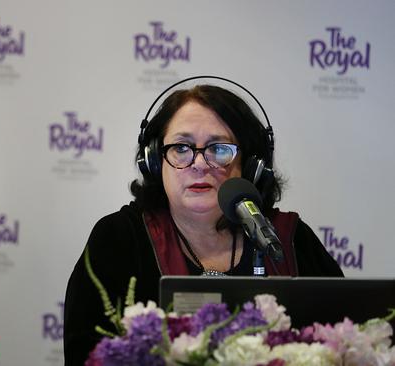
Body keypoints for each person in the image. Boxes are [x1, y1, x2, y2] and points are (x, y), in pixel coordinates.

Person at [63, 83, 343, 364]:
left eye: (219, 149)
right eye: (181, 147)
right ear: (155, 161)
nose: (199, 164)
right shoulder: (118, 239)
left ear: (250, 165)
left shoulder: (289, 239)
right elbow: (84, 357)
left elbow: (343, 342)